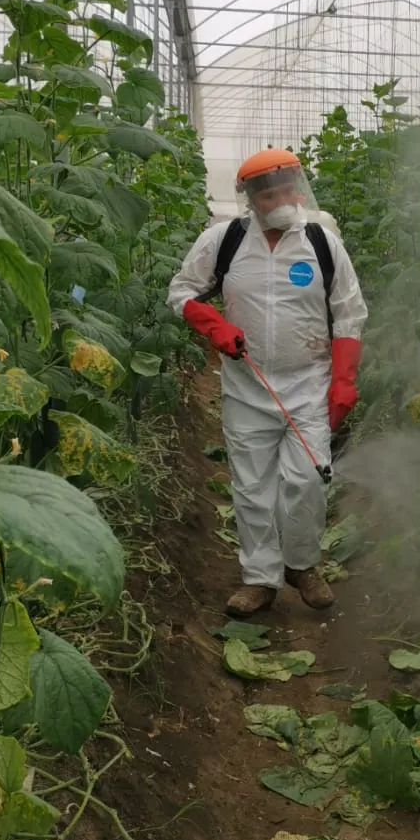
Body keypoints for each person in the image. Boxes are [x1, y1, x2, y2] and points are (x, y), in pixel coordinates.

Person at [168, 148, 367, 617]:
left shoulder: (321, 243)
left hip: (309, 384)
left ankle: (301, 564)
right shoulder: (225, 242)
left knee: (307, 479)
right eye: (269, 194)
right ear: (252, 201)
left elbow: (348, 313)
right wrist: (214, 325)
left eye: (286, 190)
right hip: (247, 386)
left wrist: (343, 381)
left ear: (299, 190)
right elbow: (182, 291)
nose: (280, 200)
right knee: (252, 485)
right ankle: (260, 578)